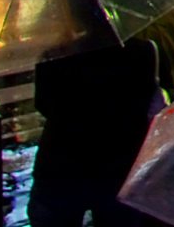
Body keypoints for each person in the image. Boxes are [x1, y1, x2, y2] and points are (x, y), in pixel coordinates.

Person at [29, 36, 162, 226]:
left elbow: (43, 105)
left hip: (63, 165)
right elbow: (151, 100)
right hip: (122, 163)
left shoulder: (55, 55)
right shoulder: (144, 50)